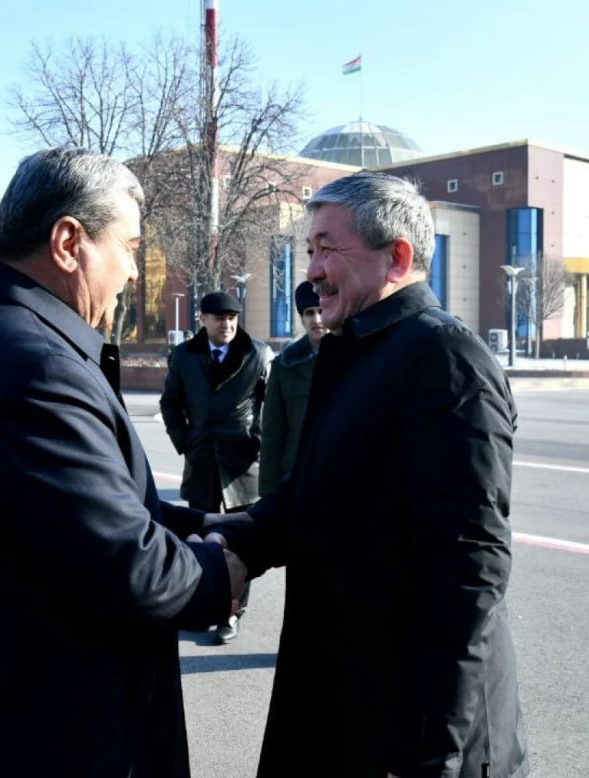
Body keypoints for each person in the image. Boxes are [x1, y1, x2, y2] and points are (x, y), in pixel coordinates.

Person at [0, 147, 246, 777]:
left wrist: (204, 525)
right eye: (129, 246)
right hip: (49, 734)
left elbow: (71, 507)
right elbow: (125, 565)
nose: (134, 272)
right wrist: (223, 571)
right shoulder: (35, 363)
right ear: (68, 242)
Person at [212, 171, 529, 777]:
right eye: (310, 250)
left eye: (327, 249)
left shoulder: (444, 358)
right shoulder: (353, 351)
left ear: (397, 257)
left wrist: (436, 751)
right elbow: (313, 499)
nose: (311, 270)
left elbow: (470, 568)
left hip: (409, 725)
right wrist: (226, 541)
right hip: (344, 693)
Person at [159, 290, 271, 643]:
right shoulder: (184, 355)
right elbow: (170, 403)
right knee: (199, 537)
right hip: (203, 459)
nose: (227, 325)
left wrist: (258, 440)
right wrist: (186, 443)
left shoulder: (256, 353)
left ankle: (232, 613)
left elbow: (271, 403)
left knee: (241, 541)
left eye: (232, 318)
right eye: (219, 318)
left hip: (242, 462)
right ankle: (201, 605)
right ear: (203, 320)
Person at [258, 280, 325, 496]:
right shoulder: (284, 365)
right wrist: (268, 493)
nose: (316, 319)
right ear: (302, 318)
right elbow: (272, 433)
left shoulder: (355, 358)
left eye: (321, 311)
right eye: (309, 313)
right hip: (297, 476)